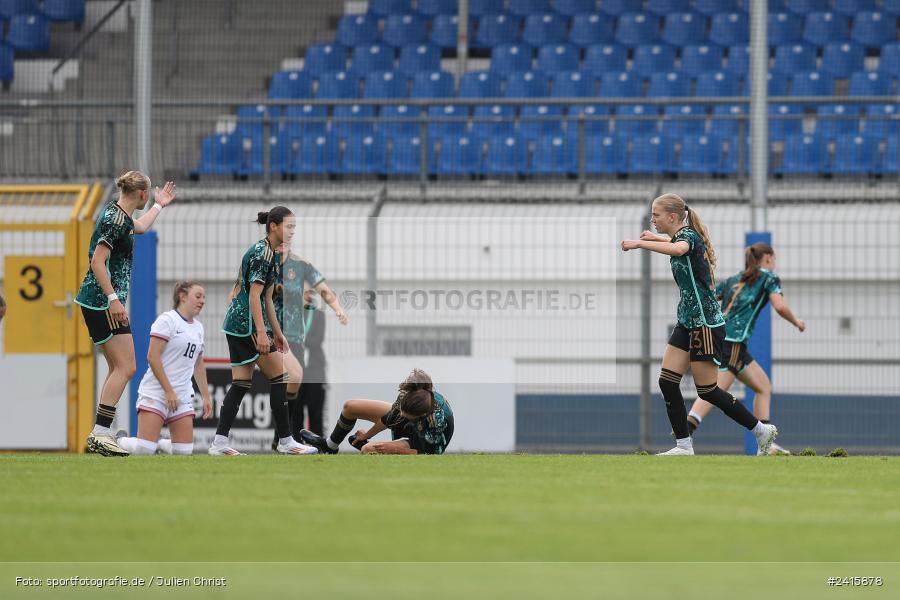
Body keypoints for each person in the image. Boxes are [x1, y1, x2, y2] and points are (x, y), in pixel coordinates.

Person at [621, 193, 778, 456]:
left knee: (708, 391)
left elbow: (679, 247)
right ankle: (684, 445)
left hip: (705, 323)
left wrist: (640, 244)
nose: (652, 219)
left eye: (656, 215)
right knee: (667, 382)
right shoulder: (681, 236)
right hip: (687, 320)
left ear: (672, 217)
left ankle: (760, 430)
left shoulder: (689, 237)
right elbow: (673, 241)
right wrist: (654, 236)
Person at [75, 171, 176, 457]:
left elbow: (140, 227)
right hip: (101, 301)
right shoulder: (115, 219)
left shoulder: (118, 215)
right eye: (150, 197)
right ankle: (101, 433)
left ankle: (101, 433)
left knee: (117, 367)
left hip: (100, 300)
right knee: (127, 366)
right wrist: (113, 299)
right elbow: (97, 261)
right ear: (142, 193)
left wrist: (160, 205)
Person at [210, 206, 316, 456]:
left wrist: (277, 332)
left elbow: (267, 297)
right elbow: (254, 296)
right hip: (245, 325)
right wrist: (260, 332)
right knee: (280, 376)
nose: (292, 231)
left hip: (238, 325)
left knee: (241, 383)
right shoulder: (262, 253)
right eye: (288, 226)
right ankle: (286, 440)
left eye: (294, 227)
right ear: (273, 227)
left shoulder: (272, 253)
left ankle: (219, 443)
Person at [687, 242, 806, 455]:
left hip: (725, 339)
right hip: (732, 341)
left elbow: (709, 301)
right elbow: (779, 306)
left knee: (763, 387)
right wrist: (796, 321)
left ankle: (766, 444)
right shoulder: (769, 278)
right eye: (774, 259)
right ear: (768, 258)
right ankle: (683, 436)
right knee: (714, 391)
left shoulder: (734, 280)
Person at [116, 281, 212, 455]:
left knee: (184, 452)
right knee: (144, 450)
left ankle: (160, 445)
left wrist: (206, 396)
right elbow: (152, 357)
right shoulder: (167, 320)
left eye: (204, 297)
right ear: (182, 296)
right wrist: (168, 391)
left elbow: (198, 363)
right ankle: (120, 441)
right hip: (156, 392)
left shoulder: (199, 328)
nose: (202, 301)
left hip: (181, 394)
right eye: (198, 296)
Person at [268, 253, 347, 449]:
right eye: (305, 292)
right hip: (296, 362)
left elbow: (316, 339)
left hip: (315, 369)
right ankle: (291, 441)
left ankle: (319, 443)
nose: (309, 295)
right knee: (295, 410)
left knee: (316, 410)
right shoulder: (287, 312)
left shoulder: (318, 315)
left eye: (311, 292)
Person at [300, 368, 453, 455]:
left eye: (406, 415)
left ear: (420, 416)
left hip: (421, 443)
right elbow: (389, 419)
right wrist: (366, 435)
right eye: (401, 411)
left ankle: (376, 447)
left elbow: (432, 453)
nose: (401, 415)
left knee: (367, 449)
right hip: (412, 425)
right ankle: (330, 446)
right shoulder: (410, 393)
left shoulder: (437, 419)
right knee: (350, 407)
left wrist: (394, 449)